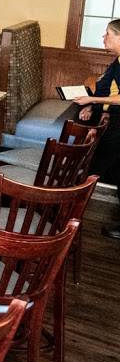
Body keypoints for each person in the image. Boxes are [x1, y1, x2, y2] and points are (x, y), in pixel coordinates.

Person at [72, 18, 120, 239]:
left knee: (95, 164)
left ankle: (68, 210)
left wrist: (93, 101)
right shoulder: (117, 61)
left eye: (108, 34)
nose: (103, 38)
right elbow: (105, 87)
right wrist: (94, 105)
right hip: (115, 119)